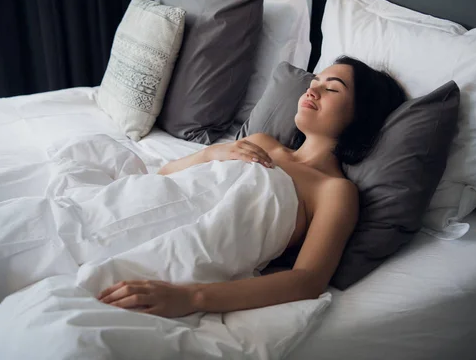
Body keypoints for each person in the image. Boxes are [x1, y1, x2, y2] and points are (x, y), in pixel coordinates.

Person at [97, 56, 407, 318]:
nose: (313, 90)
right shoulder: (261, 143)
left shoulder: (334, 190)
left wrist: (191, 298)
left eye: (331, 89)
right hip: (136, 206)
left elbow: (308, 281)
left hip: (180, 253)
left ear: (360, 114)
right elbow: (164, 176)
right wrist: (212, 152)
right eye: (314, 82)